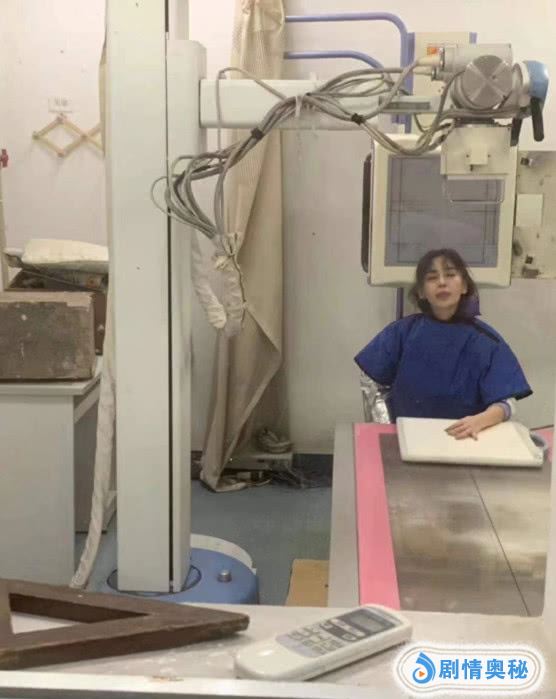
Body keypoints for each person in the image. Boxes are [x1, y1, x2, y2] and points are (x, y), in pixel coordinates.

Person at [355, 248, 532, 440]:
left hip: (465, 439)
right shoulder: (402, 333)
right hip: (408, 438)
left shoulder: (487, 343)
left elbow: (506, 403)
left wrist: (479, 421)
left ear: (464, 286)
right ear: (421, 292)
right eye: (432, 278)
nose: (441, 282)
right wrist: (385, 430)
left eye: (450, 275)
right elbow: (372, 382)